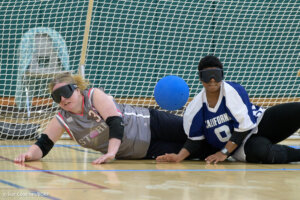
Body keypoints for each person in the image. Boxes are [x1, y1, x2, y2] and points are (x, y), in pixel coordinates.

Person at [15, 72, 190, 164]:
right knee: (196, 151)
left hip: (151, 123)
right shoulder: (62, 118)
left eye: (65, 92)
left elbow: (116, 122)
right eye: (56, 97)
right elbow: (43, 144)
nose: (62, 99)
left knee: (195, 132)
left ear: (76, 89)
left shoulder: (93, 95)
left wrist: (111, 153)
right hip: (144, 150)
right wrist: (30, 155)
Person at [156, 55, 300, 164]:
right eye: (207, 76)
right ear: (200, 78)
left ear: (222, 75)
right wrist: (179, 156)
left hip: (259, 123)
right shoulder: (195, 109)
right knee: (262, 152)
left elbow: (244, 127)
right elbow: (194, 140)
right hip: (240, 146)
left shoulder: (232, 91)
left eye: (216, 75)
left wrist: (223, 153)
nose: (212, 80)